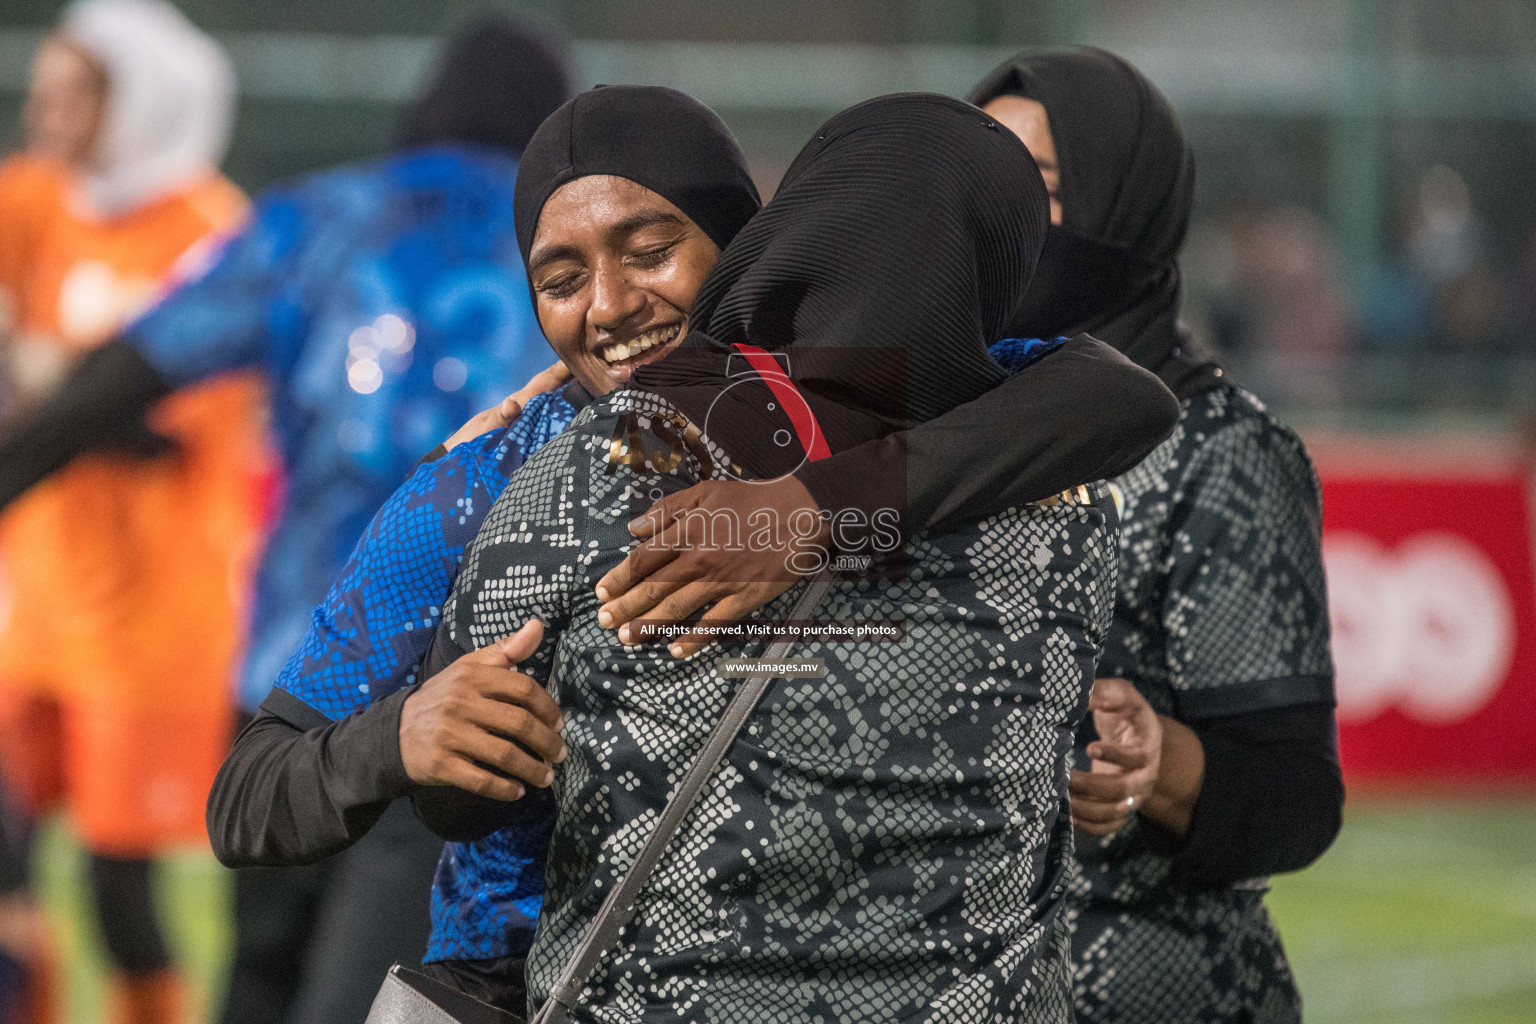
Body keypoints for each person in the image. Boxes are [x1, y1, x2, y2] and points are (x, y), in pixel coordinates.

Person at [203, 83, 1177, 1011]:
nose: (611, 305)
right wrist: (400, 739)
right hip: (545, 977)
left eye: (650, 249)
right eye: (560, 277)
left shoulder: (907, 396)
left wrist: (810, 508)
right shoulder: (485, 482)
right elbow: (250, 796)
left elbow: (1116, 394)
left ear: (757, 246)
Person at [596, 48, 1343, 1024]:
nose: (1006, 226)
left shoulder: (1223, 449)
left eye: (1039, 191)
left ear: (1127, 204)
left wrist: (1161, 763)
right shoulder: (904, 396)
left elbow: (1295, 796)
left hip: (1144, 984)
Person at [0, 15, 575, 1024]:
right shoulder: (564, 243)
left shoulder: (316, 219)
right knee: (382, 994)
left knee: (256, 978)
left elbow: (128, 367)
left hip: (294, 680)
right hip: (460, 688)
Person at [0, 4, 259, 1022]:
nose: (48, 114)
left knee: (118, 882)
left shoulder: (209, 231)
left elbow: (164, 422)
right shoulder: (41, 200)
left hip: (152, 612)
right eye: (46, 90)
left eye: (76, 95)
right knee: (9, 849)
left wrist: (46, 375)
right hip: (39, 590)